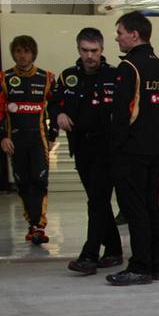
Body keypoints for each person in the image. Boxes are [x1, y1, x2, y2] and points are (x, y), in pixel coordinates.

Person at [105, 12, 159, 286]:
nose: (117, 38)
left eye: (120, 33)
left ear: (134, 35)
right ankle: (156, 264)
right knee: (152, 207)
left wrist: (115, 148)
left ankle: (140, 266)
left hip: (131, 151)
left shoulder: (128, 67)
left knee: (135, 210)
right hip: (155, 149)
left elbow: (120, 114)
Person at [51, 28, 123, 274]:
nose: (89, 55)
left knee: (97, 200)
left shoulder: (114, 75)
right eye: (85, 50)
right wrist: (59, 114)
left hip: (107, 147)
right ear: (78, 49)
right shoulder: (68, 76)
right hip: (81, 146)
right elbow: (53, 103)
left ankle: (89, 255)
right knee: (97, 199)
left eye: (94, 50)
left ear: (102, 50)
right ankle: (113, 249)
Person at [0, 35, 57, 246]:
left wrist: (52, 136)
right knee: (23, 183)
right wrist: (2, 137)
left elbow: (56, 108)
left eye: (26, 51)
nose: (22, 55)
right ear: (13, 53)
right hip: (15, 141)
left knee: (39, 180)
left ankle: (39, 226)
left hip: (38, 140)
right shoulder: (4, 79)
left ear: (33, 53)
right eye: (18, 51)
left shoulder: (46, 78)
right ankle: (32, 225)